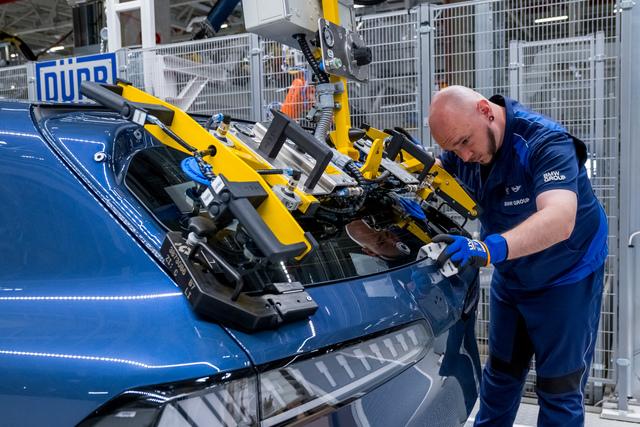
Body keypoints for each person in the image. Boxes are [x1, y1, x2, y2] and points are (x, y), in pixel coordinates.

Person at [427, 85, 608, 426]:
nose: (463, 156)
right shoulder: (464, 153)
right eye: (453, 149)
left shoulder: (545, 143)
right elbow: (432, 177)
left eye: (465, 142)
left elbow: (560, 218)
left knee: (559, 388)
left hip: (567, 276)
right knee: (501, 374)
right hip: (513, 276)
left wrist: (487, 249)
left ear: (486, 111)